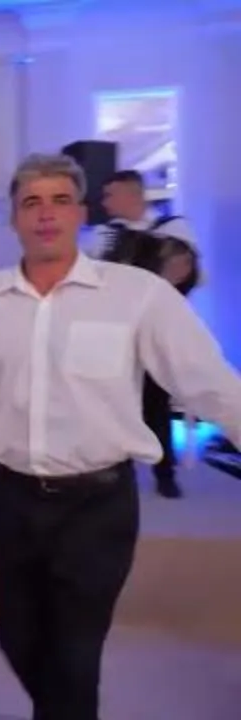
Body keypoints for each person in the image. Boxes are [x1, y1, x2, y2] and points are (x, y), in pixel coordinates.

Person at [0, 153, 241, 720]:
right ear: (14, 218)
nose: (45, 214)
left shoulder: (136, 294)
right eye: (31, 203)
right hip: (9, 500)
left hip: (98, 507)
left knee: (76, 656)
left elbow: (210, 383)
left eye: (60, 201)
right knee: (18, 639)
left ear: (80, 214)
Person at [95, 170, 201, 498]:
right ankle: (115, 471)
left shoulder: (173, 229)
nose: (105, 203)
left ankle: (164, 472)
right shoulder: (106, 236)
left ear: (132, 195)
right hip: (116, 332)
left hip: (157, 330)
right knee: (113, 401)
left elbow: (189, 277)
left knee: (155, 402)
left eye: (111, 195)